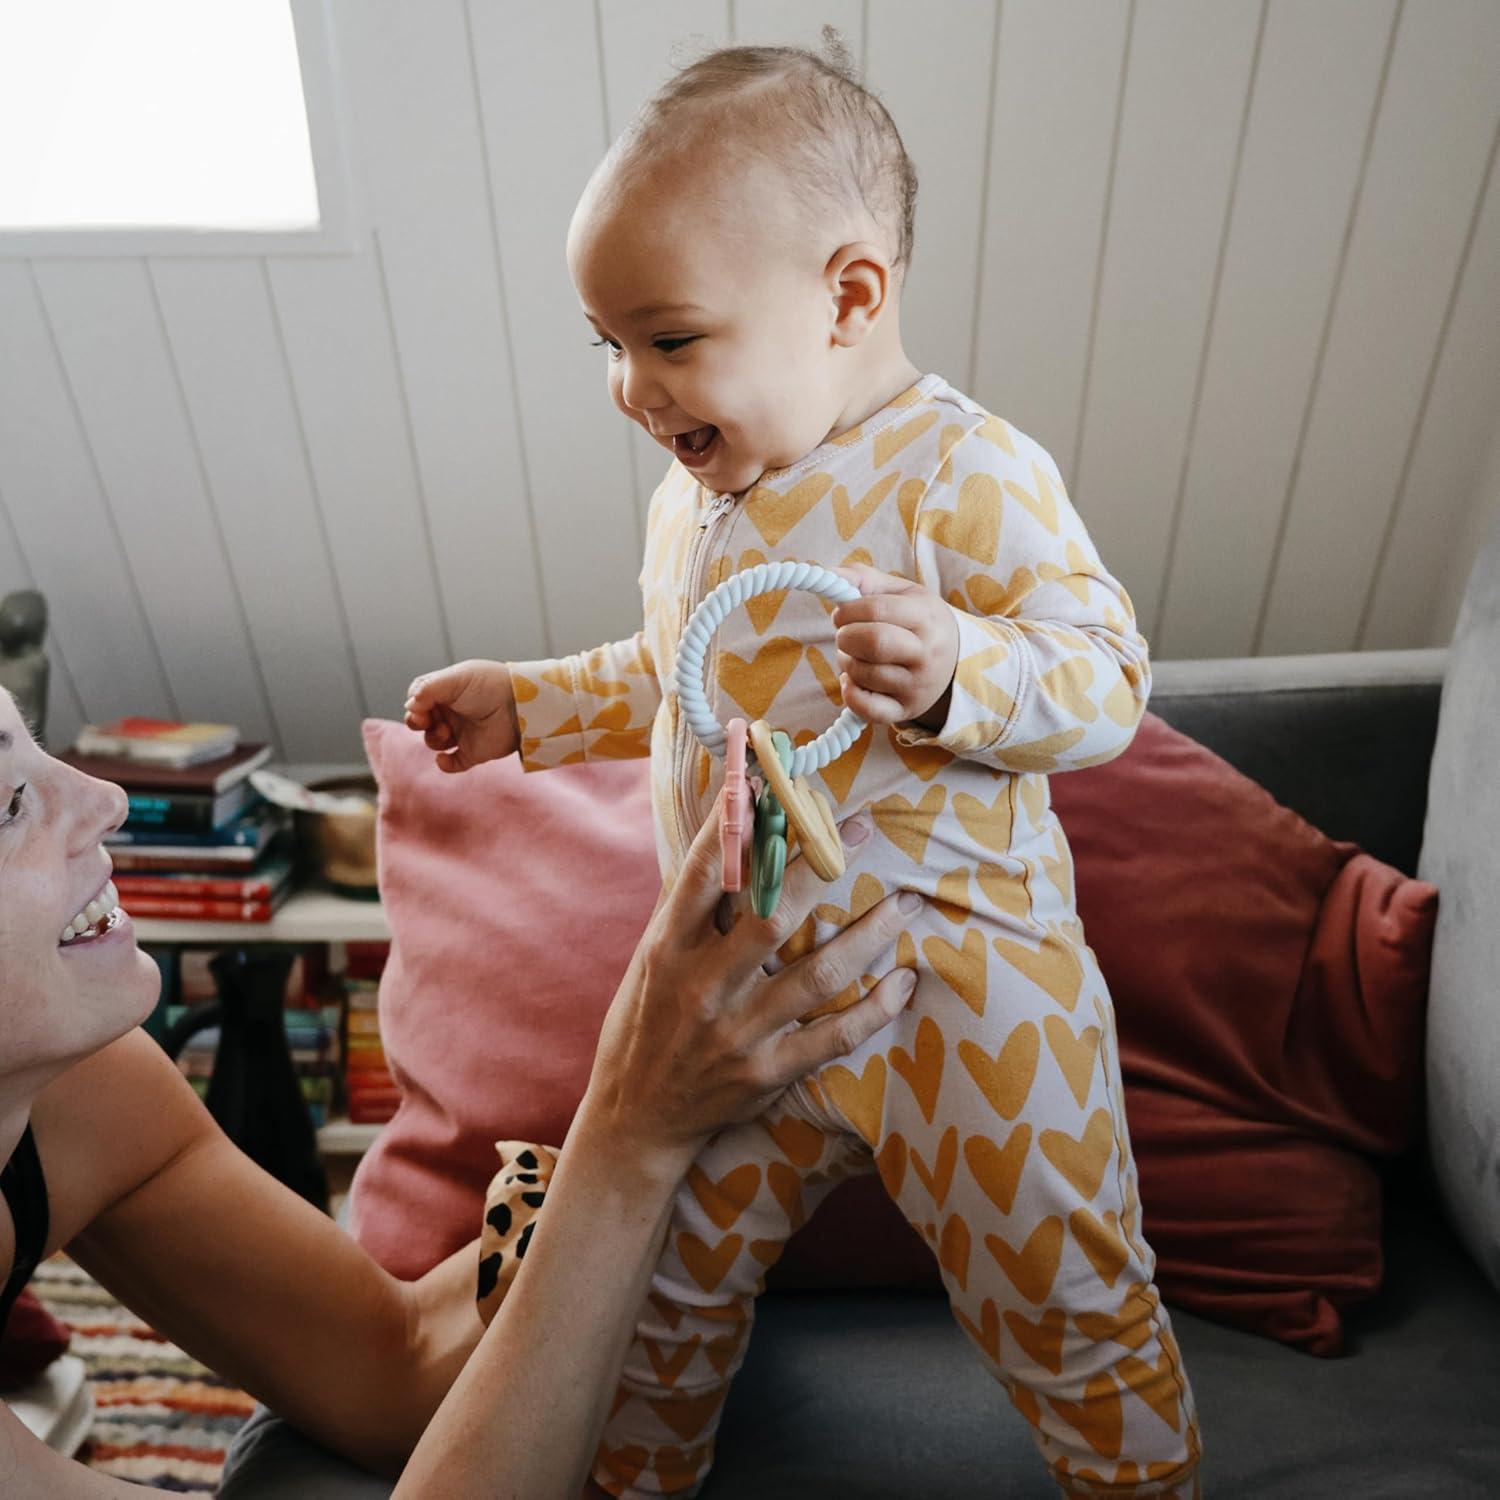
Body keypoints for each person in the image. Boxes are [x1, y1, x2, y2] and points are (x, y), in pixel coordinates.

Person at [403, 33, 1200, 1500]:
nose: (635, 390)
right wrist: (537, 704)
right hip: (748, 1001)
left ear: (847, 297)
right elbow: (681, 672)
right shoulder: (696, 498)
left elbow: (1108, 679)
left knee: (1065, 1303)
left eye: (670, 336)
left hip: (965, 1000)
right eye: (608, 346)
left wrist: (963, 668)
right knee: (655, 1300)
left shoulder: (965, 473)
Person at [0, 684, 916, 1496]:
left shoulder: (83, 1098)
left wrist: (712, 1126)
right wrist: (631, 1128)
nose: (106, 800)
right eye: (8, 804)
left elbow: (386, 1365)